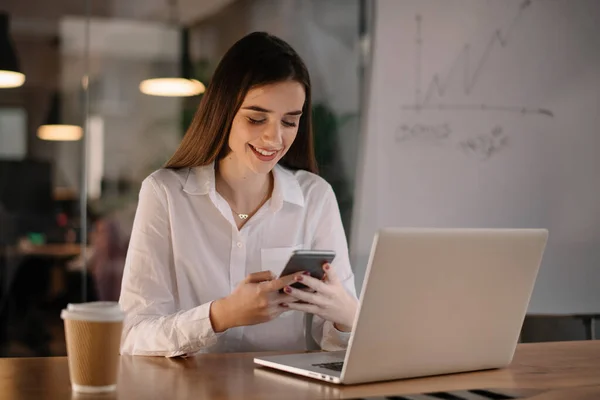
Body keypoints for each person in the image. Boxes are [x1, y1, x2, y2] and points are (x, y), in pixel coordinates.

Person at [119, 32, 358, 357]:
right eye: (256, 118)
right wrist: (221, 315)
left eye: (290, 121)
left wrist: (348, 317)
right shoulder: (166, 194)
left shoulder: (315, 197)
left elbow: (337, 346)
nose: (274, 138)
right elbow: (133, 336)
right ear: (224, 110)